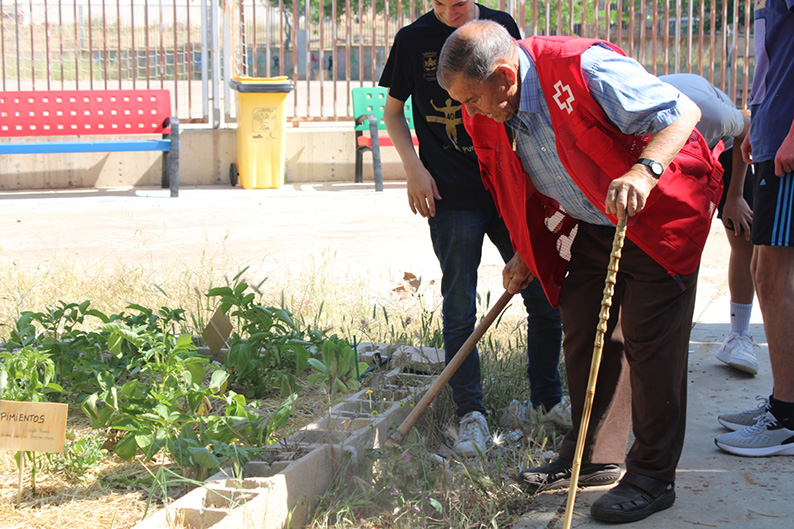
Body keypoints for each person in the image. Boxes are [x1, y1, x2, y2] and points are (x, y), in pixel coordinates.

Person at [437, 20, 722, 523]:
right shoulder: (490, 108)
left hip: (656, 215)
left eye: (474, 98)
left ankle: (653, 478)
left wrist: (644, 169)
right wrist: (526, 249)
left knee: (650, 344)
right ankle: (592, 455)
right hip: (595, 217)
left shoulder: (583, 68)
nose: (469, 111)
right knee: (583, 329)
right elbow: (528, 176)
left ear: (505, 75)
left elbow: (684, 113)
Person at [378, 1, 570, 458]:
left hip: (506, 187)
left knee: (544, 292)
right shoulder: (412, 39)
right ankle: (472, 415)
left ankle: (548, 400)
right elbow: (393, 113)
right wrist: (413, 168)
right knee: (460, 305)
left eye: (458, 3)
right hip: (449, 194)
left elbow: (523, 95)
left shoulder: (498, 26)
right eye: (439, 3)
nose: (448, 11)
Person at [715, 0, 794, 457]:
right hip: (769, 140)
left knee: (774, 278)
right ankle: (783, 404)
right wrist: (755, 125)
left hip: (787, 147)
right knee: (765, 270)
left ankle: (786, 418)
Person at [659, 73, 758, 375]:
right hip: (661, 154)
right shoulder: (631, 120)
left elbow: (745, 129)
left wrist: (736, 197)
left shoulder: (710, 116)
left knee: (744, 234)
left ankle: (739, 336)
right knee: (665, 242)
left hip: (727, 147)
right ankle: (663, 334)